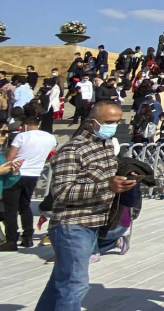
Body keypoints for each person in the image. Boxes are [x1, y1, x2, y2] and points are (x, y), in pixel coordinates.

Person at [36, 101, 135, 310]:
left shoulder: (106, 145)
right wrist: (106, 186)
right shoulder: (72, 150)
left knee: (60, 281)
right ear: (92, 123)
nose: (113, 127)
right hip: (72, 224)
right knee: (75, 284)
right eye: (109, 122)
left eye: (117, 122)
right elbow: (61, 192)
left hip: (94, 222)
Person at [2, 116, 57, 249]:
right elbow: (51, 155)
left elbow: (10, 157)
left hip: (16, 173)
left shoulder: (22, 136)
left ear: (25, 125)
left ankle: (11, 240)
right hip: (34, 174)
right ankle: (28, 237)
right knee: (25, 206)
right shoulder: (50, 137)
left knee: (11, 208)